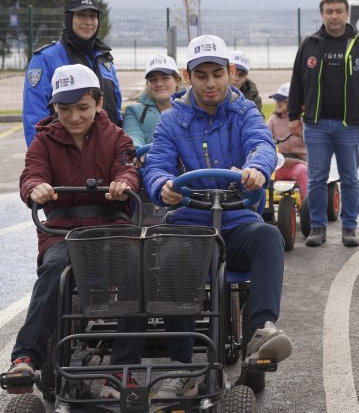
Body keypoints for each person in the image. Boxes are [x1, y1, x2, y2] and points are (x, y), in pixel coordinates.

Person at [141, 34, 292, 396]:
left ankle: (262, 331)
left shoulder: (245, 112)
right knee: (171, 255)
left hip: (238, 217)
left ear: (230, 73)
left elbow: (261, 144)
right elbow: (156, 166)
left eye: (218, 74)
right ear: (188, 76)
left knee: (269, 236)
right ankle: (181, 364)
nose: (211, 83)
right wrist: (163, 185)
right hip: (191, 221)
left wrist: (257, 167)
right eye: (202, 75)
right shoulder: (171, 120)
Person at [6, 64, 138, 393]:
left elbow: (128, 168)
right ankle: (25, 358)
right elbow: (31, 174)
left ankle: (124, 366)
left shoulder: (117, 138)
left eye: (82, 108)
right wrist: (35, 187)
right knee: (54, 271)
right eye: (65, 109)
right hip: (62, 231)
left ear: (98, 104)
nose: (74, 117)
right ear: (55, 108)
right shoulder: (43, 141)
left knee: (134, 272)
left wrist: (123, 182)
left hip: (110, 227)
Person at [287, 0, 359, 248]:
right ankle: (317, 227)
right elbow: (297, 81)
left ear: (347, 14)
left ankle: (349, 227)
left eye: (339, 11)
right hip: (316, 125)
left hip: (349, 125)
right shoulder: (310, 44)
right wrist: (294, 115)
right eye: (330, 11)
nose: (334, 16)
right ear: (322, 14)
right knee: (317, 178)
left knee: (350, 179)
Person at [23, 0, 122, 146]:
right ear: (69, 18)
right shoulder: (45, 59)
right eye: (81, 15)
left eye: (93, 15)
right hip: (65, 157)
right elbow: (34, 118)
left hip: (106, 153)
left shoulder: (105, 59)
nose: (88, 21)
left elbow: (115, 111)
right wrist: (42, 159)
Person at [122, 54, 182, 148]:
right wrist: (137, 149)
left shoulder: (192, 107)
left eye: (165, 78)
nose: (159, 84)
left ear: (177, 80)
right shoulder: (133, 112)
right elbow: (132, 136)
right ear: (147, 84)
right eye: (153, 80)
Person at [267, 82, 308, 200]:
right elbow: (264, 134)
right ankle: (263, 205)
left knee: (303, 172)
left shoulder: (302, 120)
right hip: (278, 166)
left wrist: (301, 133)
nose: (277, 103)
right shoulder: (273, 120)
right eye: (277, 100)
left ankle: (308, 206)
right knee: (263, 173)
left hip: (297, 163)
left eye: (282, 100)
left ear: (293, 102)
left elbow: (311, 140)